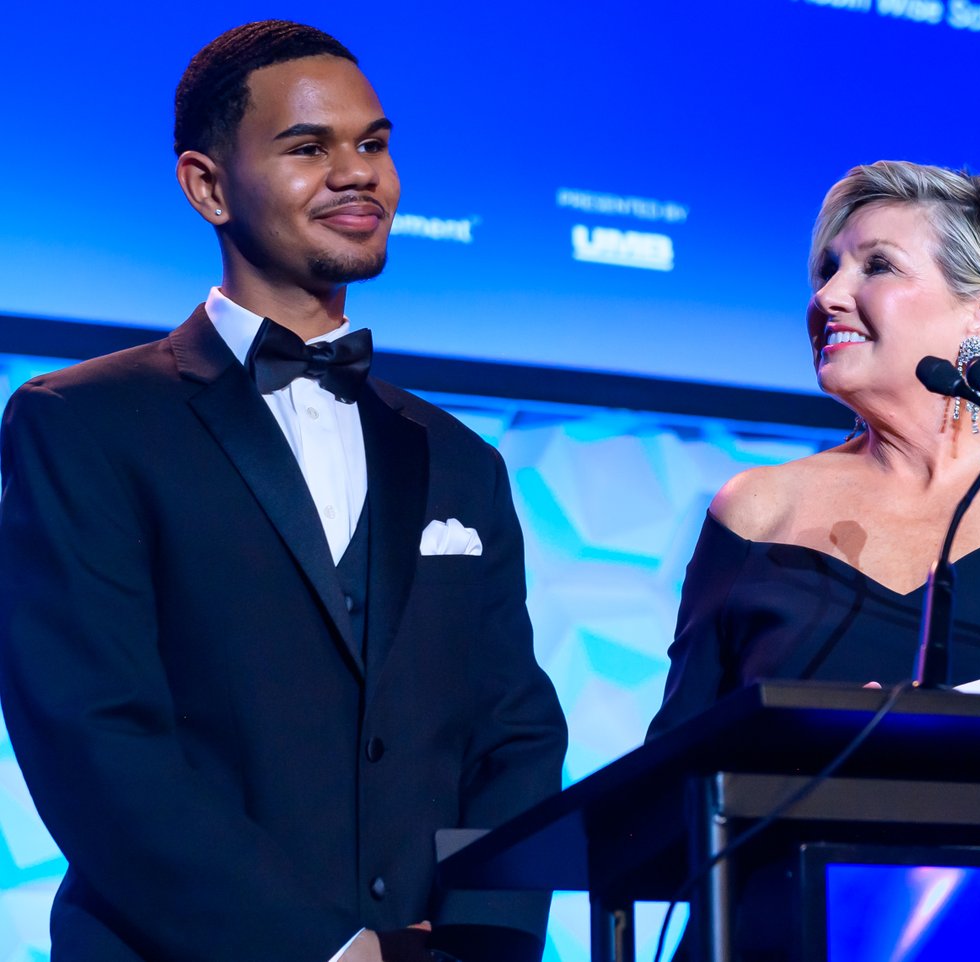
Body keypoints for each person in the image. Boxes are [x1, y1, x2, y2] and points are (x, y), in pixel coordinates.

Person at [0, 20, 566, 962]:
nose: (358, 174)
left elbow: (510, 731)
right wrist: (327, 950)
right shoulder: (83, 421)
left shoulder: (461, 458)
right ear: (206, 185)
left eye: (374, 145)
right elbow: (94, 738)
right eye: (308, 147)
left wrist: (482, 941)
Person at [649, 159, 980, 740]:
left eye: (878, 266)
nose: (829, 295)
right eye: (827, 270)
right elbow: (671, 782)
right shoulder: (757, 511)